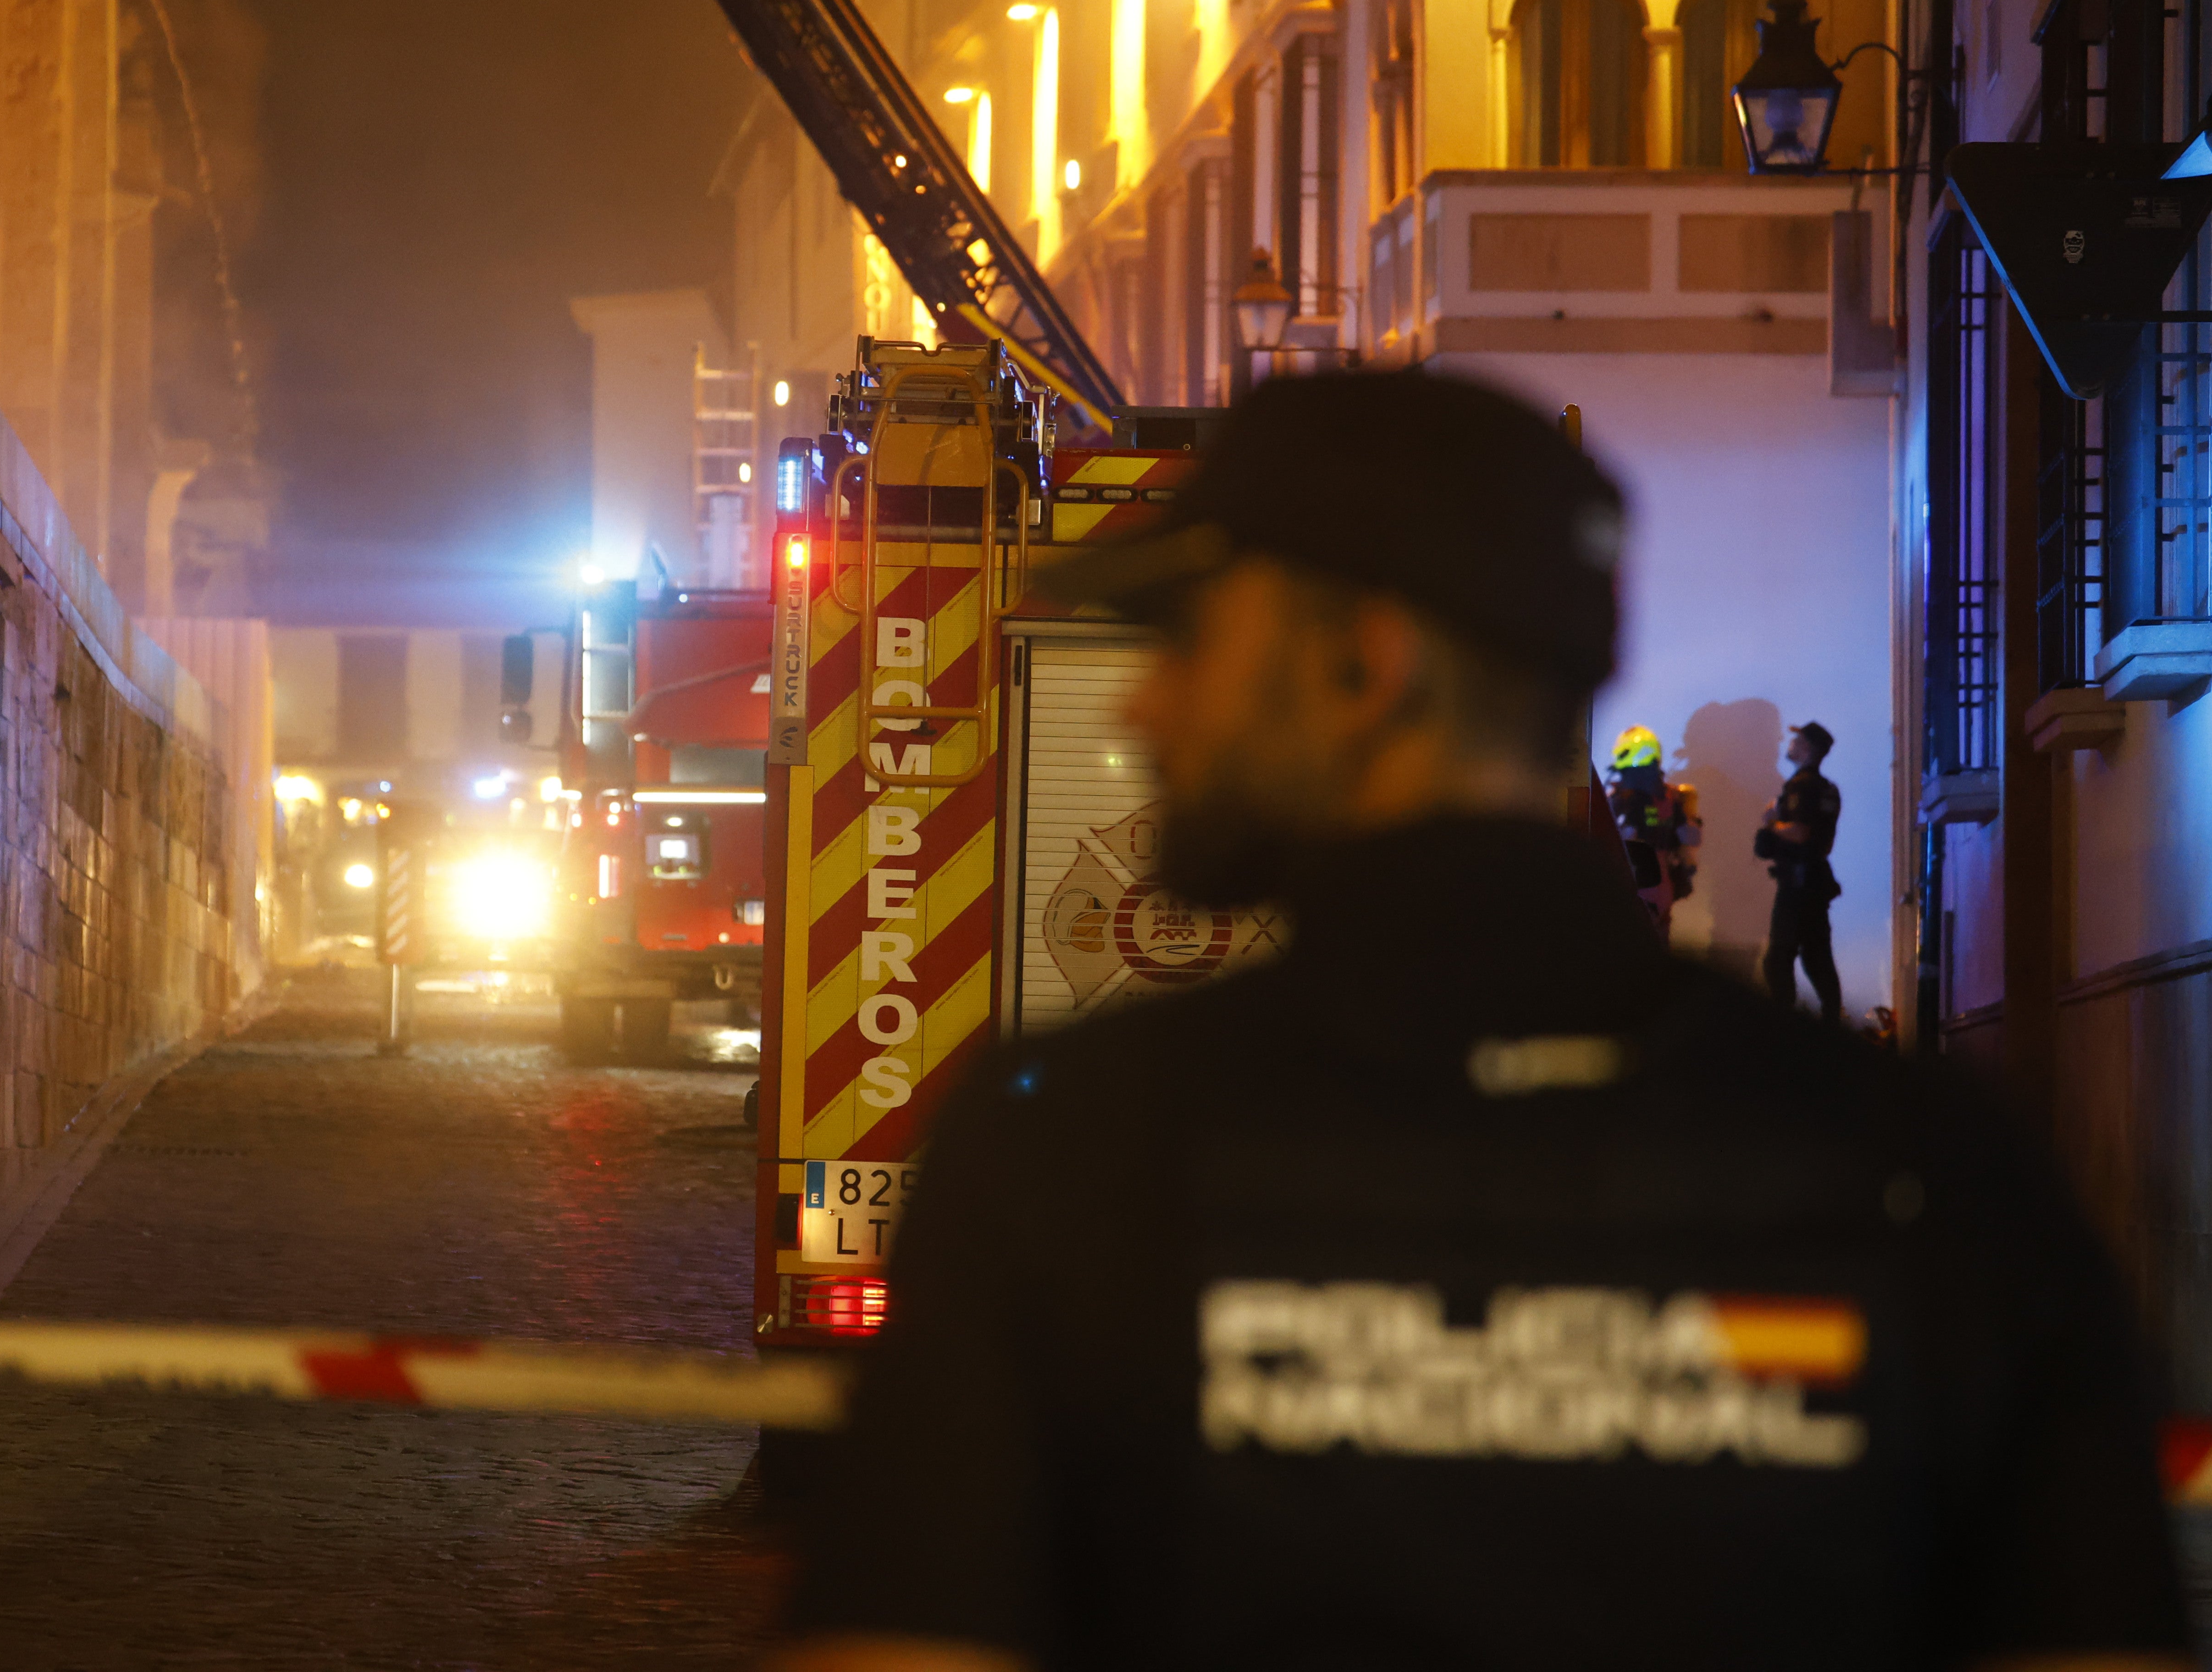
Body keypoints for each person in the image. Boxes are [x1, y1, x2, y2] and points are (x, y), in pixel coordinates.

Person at [771, 372, 2186, 1672]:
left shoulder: (1068, 1149)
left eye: (1186, 635)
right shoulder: (1937, 1171)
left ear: (1361, 669)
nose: (1142, 700)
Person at [1759, 720, 1842, 1023]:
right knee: (1817, 958)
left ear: (1808, 748)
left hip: (1797, 884)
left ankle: (1784, 1028)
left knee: (1778, 960)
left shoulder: (1801, 786)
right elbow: (1823, 841)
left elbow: (1800, 832)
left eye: (1797, 741)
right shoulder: (1828, 790)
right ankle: (1832, 1021)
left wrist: (1772, 824)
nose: (1790, 745)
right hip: (1815, 884)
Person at [1604, 723, 1699, 942]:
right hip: (1659, 887)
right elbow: (1690, 841)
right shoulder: (1673, 799)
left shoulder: (1622, 800)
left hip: (1636, 887)